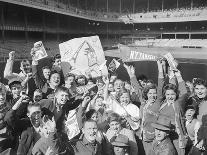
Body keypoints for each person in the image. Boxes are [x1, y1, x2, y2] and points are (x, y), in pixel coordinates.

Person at [158, 69, 188, 155]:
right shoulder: (163, 103)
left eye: (172, 94)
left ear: (176, 94)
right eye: (168, 94)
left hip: (176, 137)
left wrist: (178, 76)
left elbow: (184, 92)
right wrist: (160, 68)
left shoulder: (178, 103)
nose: (170, 97)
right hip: (164, 137)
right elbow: (160, 88)